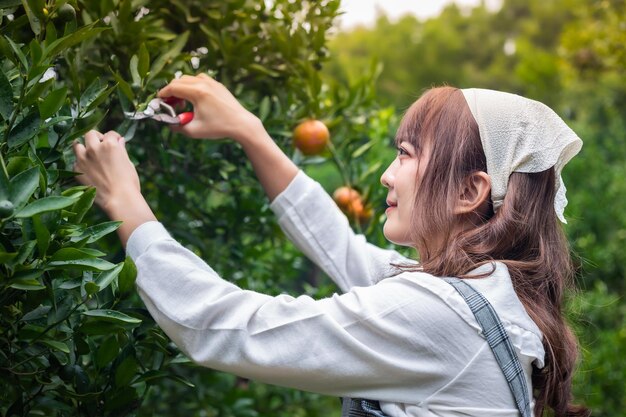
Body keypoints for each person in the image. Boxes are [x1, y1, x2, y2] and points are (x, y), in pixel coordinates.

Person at [72, 74, 589, 417]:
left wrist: (124, 201)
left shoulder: (440, 314)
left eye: (407, 155)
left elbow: (225, 326)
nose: (387, 176)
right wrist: (251, 133)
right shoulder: (480, 296)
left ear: (468, 191)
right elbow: (337, 244)